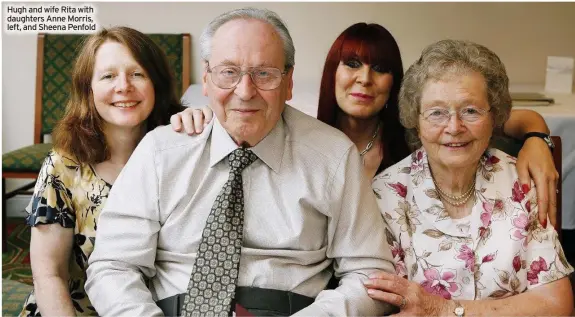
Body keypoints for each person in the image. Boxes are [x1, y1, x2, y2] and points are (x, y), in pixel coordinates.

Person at [85, 8, 396, 317]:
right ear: (206, 79)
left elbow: (370, 273)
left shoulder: (333, 156)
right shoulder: (160, 151)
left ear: (288, 82)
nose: (245, 92)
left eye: (264, 74)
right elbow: (113, 267)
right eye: (228, 72)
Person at [176, 22, 559, 229]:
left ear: (397, 83)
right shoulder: (297, 128)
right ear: (333, 72)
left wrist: (538, 140)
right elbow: (242, 110)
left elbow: (499, 116)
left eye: (381, 68)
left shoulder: (421, 133)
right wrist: (203, 117)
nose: (364, 80)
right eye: (353, 64)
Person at [366, 39, 573, 316]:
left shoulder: (523, 182)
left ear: (494, 117)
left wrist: (441, 309)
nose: (454, 127)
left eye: (471, 111)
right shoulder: (385, 195)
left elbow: (557, 306)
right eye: (437, 113)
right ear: (416, 120)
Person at [20, 26, 204, 316]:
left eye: (137, 74)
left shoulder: (181, 152)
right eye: (108, 76)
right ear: (88, 89)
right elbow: (48, 276)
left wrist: (201, 124)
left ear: (156, 83)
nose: (124, 87)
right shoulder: (63, 167)